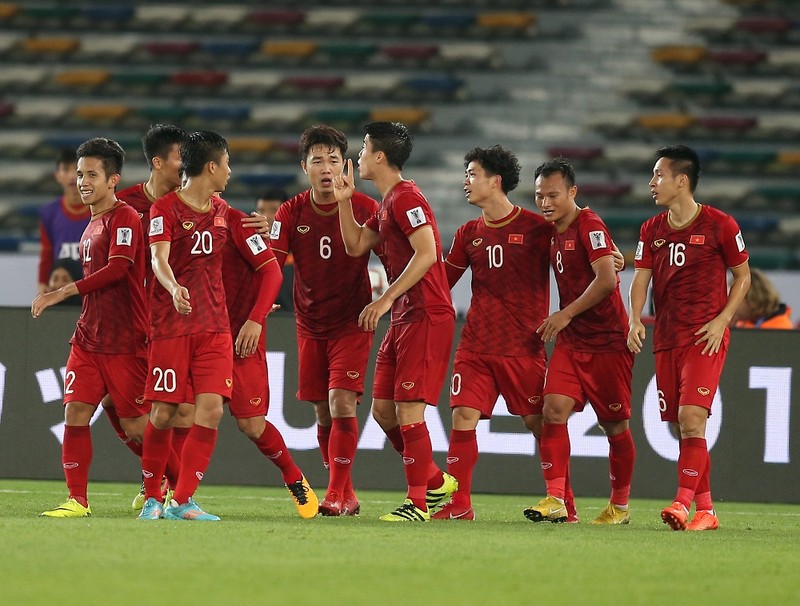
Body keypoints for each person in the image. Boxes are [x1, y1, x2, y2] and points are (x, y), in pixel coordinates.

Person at [334, 121, 458, 522]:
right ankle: (437, 481)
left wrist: (385, 298)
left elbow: (426, 253)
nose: (358, 155)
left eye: (364, 147)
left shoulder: (406, 198)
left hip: (425, 314)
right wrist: (343, 200)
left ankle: (418, 501)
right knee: (384, 412)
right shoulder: (387, 202)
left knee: (409, 411)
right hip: (405, 317)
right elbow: (355, 246)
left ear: (380, 156)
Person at [434, 145, 565, 521]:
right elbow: (443, 282)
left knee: (538, 422)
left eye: (473, 174)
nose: (466, 182)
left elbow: (573, 263)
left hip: (523, 346)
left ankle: (561, 499)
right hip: (475, 345)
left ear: (496, 181)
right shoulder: (467, 233)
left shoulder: (538, 229)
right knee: (462, 417)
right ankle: (460, 506)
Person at [628, 145, 750, 531]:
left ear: (681, 181)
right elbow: (641, 279)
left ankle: (681, 504)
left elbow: (743, 276)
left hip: (704, 337)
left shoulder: (721, 224)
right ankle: (707, 511)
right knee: (681, 428)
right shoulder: (651, 230)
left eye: (658, 175)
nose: (652, 183)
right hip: (666, 338)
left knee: (691, 418)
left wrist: (722, 321)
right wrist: (634, 318)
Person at [33, 137, 149, 517]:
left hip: (125, 339)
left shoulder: (126, 217)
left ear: (113, 179)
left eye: (92, 174)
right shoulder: (92, 221)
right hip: (89, 338)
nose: (82, 181)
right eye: (80, 174)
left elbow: (119, 269)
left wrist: (61, 291)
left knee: (136, 427)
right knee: (75, 413)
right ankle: (77, 500)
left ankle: (173, 488)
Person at [269, 125, 383, 516]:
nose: (326, 168)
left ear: (345, 165)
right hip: (309, 323)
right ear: (305, 166)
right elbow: (269, 262)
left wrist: (391, 300)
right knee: (321, 410)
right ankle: (346, 493)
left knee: (341, 403)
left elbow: (397, 257)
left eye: (333, 160)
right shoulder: (290, 211)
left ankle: (333, 494)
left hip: (352, 322)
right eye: (317, 160)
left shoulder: (366, 208)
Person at [526, 158, 636, 525]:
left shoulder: (588, 223)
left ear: (572, 192)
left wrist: (565, 313)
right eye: (539, 195)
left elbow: (607, 280)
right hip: (573, 343)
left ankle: (619, 506)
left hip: (607, 342)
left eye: (552, 195)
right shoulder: (555, 228)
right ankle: (556, 497)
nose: (544, 202)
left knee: (614, 426)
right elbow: (609, 261)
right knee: (552, 410)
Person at [138, 130, 235, 521]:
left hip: (216, 327)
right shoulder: (164, 209)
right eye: (227, 164)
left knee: (210, 411)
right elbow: (158, 259)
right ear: (211, 167)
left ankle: (181, 501)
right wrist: (174, 285)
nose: (230, 172)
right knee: (162, 413)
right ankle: (150, 497)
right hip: (172, 326)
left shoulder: (224, 211)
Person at [222, 201, 319, 518]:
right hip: (199, 334)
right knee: (184, 413)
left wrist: (257, 314)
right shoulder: (171, 217)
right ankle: (166, 490)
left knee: (251, 424)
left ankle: (293, 476)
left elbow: (271, 271)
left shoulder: (237, 222)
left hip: (240, 337)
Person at [37, 148, 89, 295]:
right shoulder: (49, 214)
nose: (72, 176)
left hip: (91, 291)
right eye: (66, 170)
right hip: (60, 292)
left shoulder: (102, 210)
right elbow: (46, 253)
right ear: (57, 176)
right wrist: (42, 285)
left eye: (76, 170)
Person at [256, 188, 294, 312]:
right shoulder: (250, 248)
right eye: (261, 210)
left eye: (273, 210)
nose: (265, 216)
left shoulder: (299, 246)